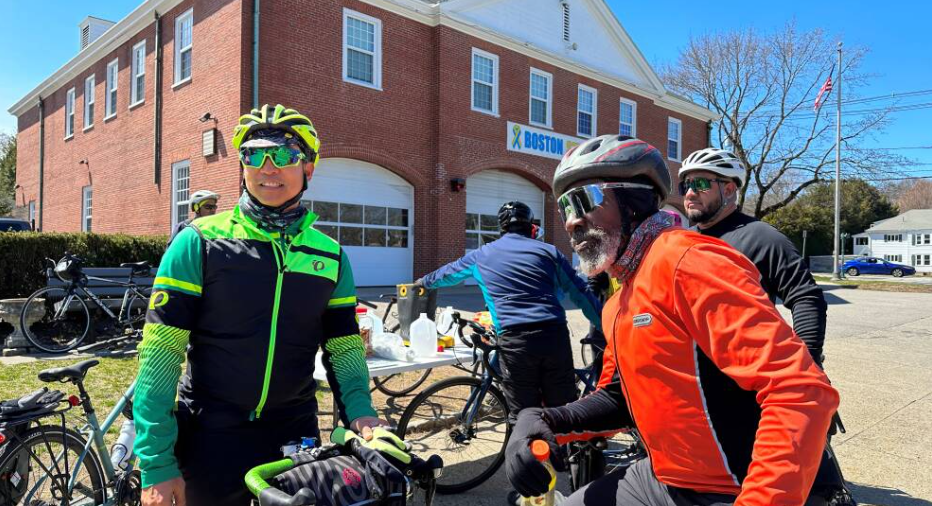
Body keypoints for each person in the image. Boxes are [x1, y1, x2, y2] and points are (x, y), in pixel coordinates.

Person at [505, 134, 839, 505]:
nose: (570, 222)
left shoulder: (687, 262)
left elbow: (800, 390)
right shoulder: (620, 300)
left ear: (632, 202)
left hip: (732, 487)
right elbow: (619, 398)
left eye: (584, 201)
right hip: (660, 476)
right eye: (564, 206)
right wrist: (545, 419)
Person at [135, 104, 387, 506]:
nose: (268, 167)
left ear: (309, 168)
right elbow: (160, 356)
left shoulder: (331, 255)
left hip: (294, 430)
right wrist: (156, 463)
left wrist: (360, 410)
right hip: (210, 432)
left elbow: (343, 346)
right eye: (254, 155)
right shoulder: (199, 241)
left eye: (285, 155)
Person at [679, 147, 853, 504]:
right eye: (684, 184)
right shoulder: (688, 242)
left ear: (729, 190)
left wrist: (807, 365)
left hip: (753, 385)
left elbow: (806, 297)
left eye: (699, 182)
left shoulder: (760, 237)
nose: (689, 192)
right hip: (703, 392)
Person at [416, 201, 602, 425]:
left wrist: (423, 282)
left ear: (501, 228)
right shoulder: (549, 251)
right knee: (563, 411)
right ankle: (571, 456)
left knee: (524, 416)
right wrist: (606, 326)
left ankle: (528, 456)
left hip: (515, 341)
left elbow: (448, 273)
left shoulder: (482, 254)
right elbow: (580, 293)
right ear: (530, 226)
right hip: (553, 336)